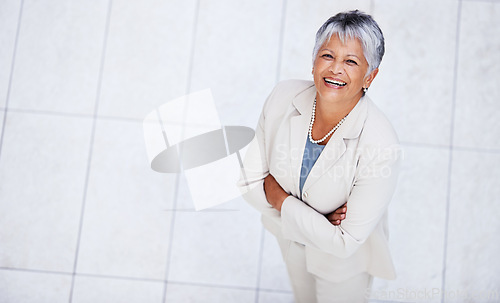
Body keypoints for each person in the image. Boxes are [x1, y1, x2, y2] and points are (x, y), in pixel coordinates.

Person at [238, 10, 402, 303]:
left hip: (343, 268)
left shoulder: (381, 145)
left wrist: (280, 197)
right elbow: (249, 184)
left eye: (351, 61)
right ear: (313, 61)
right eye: (328, 55)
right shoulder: (283, 96)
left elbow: (343, 243)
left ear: (370, 76)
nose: (336, 69)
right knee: (303, 298)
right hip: (289, 242)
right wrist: (319, 221)